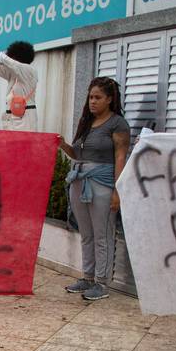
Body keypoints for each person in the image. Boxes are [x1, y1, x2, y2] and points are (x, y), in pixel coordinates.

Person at [58, 77, 130, 302]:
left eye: (98, 97)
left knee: (103, 234)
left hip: (102, 184)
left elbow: (120, 156)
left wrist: (118, 190)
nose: (93, 102)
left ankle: (102, 282)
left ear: (110, 99)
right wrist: (62, 144)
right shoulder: (86, 124)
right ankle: (87, 277)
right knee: (86, 234)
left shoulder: (117, 124)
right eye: (91, 97)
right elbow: (78, 155)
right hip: (79, 182)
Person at [0, 35, 38, 132]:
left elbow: (11, 63)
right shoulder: (13, 75)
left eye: (12, 57)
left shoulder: (29, 71)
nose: (10, 59)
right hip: (11, 122)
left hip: (25, 124)